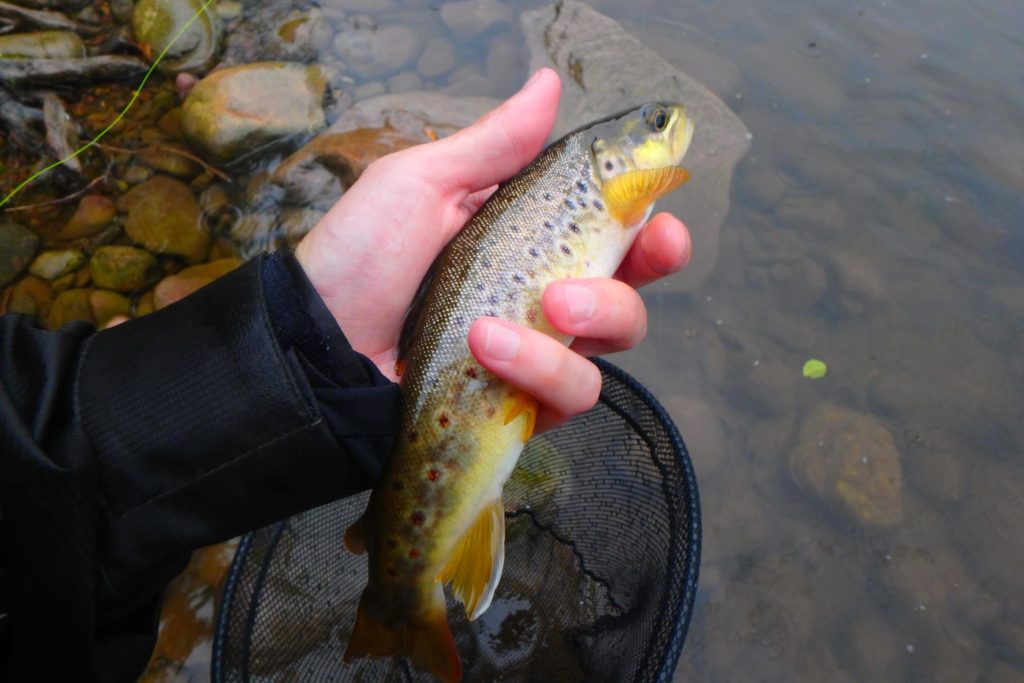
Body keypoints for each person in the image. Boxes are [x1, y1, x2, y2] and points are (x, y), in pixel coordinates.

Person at [0, 68, 691, 681]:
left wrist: (314, 337)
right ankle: (402, 603)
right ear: (615, 160)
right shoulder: (609, 180)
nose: (671, 127)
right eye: (658, 126)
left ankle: (405, 592)